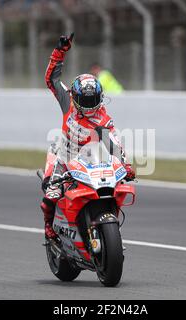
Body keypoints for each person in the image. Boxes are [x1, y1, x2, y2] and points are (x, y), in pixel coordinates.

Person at [41, 33, 135, 239]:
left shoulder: (102, 117)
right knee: (51, 193)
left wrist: (125, 165)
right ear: (75, 96)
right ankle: (49, 228)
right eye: (86, 99)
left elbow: (113, 143)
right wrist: (60, 51)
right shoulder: (67, 101)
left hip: (92, 157)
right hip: (65, 155)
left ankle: (105, 222)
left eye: (94, 100)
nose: (90, 105)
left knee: (112, 185)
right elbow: (51, 79)